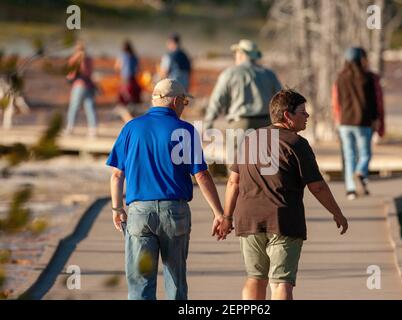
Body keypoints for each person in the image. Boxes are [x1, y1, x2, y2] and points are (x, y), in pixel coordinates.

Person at [218, 89, 348, 300]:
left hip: (248, 219)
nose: (307, 116)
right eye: (303, 112)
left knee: (255, 277)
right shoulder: (297, 144)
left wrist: (226, 217)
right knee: (281, 282)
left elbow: (233, 180)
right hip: (283, 220)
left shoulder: (250, 139)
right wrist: (337, 212)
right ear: (288, 115)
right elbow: (318, 187)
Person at [106, 78, 225, 300]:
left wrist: (116, 208)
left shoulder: (131, 128)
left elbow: (116, 174)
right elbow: (200, 174)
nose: (184, 107)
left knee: (140, 282)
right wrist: (219, 213)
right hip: (175, 212)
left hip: (139, 212)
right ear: (176, 101)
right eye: (185, 102)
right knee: (176, 281)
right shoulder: (185, 131)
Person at [332, 47, 385, 200]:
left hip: (345, 122)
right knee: (365, 153)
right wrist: (376, 119)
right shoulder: (367, 78)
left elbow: (337, 101)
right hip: (363, 122)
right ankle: (361, 172)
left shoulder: (340, 78)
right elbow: (374, 102)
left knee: (349, 156)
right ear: (361, 59)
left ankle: (350, 190)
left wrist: (337, 119)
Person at [204, 39, 281, 132]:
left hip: (240, 124)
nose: (235, 56)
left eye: (236, 53)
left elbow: (217, 100)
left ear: (241, 54)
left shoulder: (230, 73)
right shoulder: (269, 74)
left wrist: (208, 123)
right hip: (266, 123)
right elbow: (280, 99)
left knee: (238, 147)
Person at [65, 41, 97, 137]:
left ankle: (70, 128)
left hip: (79, 85)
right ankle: (92, 129)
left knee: (73, 107)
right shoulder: (89, 59)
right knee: (89, 108)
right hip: (89, 85)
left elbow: (70, 73)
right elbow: (89, 73)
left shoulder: (76, 58)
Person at [114, 40, 142, 123]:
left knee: (122, 102)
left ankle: (128, 119)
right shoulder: (134, 56)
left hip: (125, 80)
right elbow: (138, 69)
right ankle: (131, 118)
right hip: (134, 80)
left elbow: (117, 67)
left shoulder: (122, 56)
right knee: (133, 101)